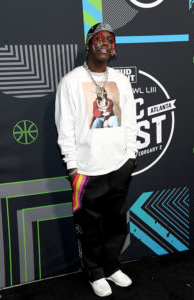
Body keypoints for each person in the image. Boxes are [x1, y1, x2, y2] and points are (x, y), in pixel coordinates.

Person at [55, 23, 138, 297]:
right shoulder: (70, 81)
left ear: (112, 48)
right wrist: (72, 166)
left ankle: (112, 267)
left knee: (115, 223)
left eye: (109, 40)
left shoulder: (121, 80)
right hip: (86, 170)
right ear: (89, 44)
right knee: (89, 226)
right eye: (99, 39)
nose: (104, 44)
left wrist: (131, 156)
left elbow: (132, 121)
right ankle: (95, 273)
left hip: (119, 166)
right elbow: (65, 128)